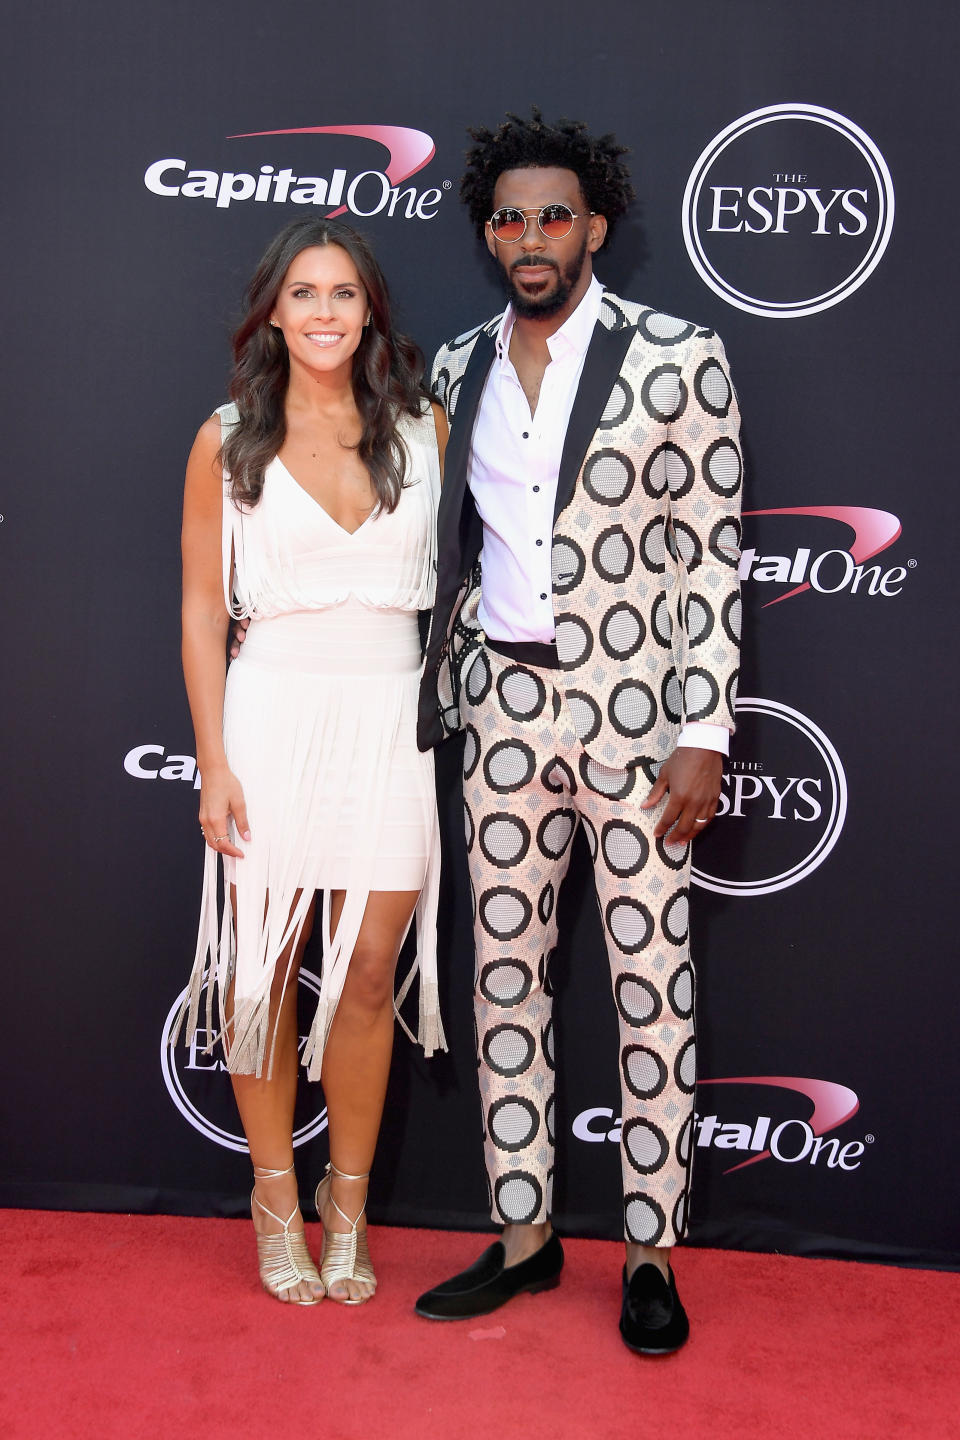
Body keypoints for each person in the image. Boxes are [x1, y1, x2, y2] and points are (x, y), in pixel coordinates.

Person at [414, 111, 743, 1353]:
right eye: (510, 217)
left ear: (595, 225)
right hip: (502, 713)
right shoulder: (455, 369)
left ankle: (652, 1252)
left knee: (652, 985)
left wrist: (701, 729)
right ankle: (525, 1236)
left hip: (640, 722)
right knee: (506, 981)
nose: (532, 235)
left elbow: (711, 557)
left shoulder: (678, 355)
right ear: (489, 235)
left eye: (555, 214)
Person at [177, 216, 447, 1307]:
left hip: (390, 716)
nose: (325, 312)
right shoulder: (227, 435)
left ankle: (349, 1209)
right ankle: (274, 1201)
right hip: (271, 716)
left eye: (343, 292)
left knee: (371, 971)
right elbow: (201, 606)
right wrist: (212, 759)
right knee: (260, 982)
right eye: (303, 293)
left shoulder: (424, 427)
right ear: (273, 312)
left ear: (370, 308)